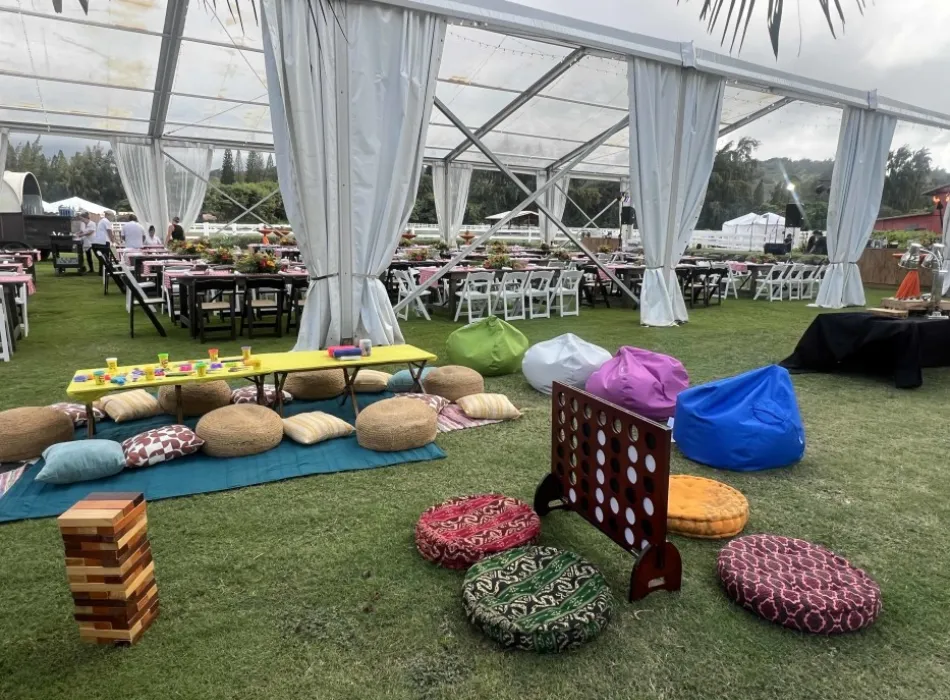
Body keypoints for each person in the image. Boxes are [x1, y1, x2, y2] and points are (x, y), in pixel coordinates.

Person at [90, 210, 115, 275]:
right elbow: (109, 232)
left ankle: (102, 272)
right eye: (112, 216)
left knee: (102, 258)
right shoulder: (106, 221)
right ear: (108, 215)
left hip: (97, 242)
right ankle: (106, 272)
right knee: (105, 258)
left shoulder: (102, 221)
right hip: (103, 242)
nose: (112, 217)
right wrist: (113, 241)